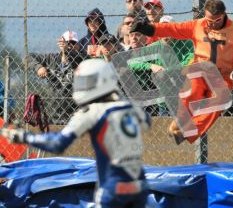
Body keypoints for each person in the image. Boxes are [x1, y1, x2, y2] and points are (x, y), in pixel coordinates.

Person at [1, 59, 151, 207]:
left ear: (102, 80)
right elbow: (147, 122)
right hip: (139, 183)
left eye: (87, 82)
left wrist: (23, 136)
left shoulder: (92, 112)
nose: (81, 87)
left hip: (113, 185)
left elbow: (58, 144)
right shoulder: (131, 107)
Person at [130, 0, 233, 143]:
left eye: (217, 21)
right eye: (209, 20)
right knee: (192, 91)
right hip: (199, 70)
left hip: (221, 77)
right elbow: (173, 29)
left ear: (224, 15)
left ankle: (187, 133)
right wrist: (147, 28)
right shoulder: (198, 25)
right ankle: (181, 123)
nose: (212, 24)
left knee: (221, 100)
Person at [29, 30, 88, 124]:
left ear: (78, 45)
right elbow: (28, 57)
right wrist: (39, 67)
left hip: (77, 113)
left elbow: (80, 58)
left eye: (73, 43)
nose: (70, 46)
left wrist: (66, 52)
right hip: (54, 112)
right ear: (60, 43)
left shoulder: (82, 59)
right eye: (67, 43)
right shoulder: (51, 58)